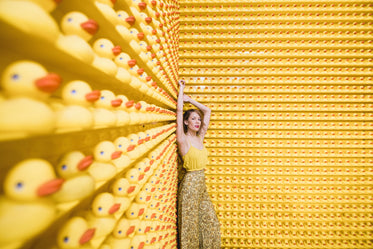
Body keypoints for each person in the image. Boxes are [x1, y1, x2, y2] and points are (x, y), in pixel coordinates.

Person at [176, 79, 221, 248]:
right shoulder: (184, 140)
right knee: (190, 228)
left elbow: (207, 111)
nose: (198, 121)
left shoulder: (200, 137)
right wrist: (182, 91)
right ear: (186, 122)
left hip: (201, 184)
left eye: (198, 119)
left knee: (210, 222)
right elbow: (180, 111)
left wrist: (191, 100)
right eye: (193, 119)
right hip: (190, 185)